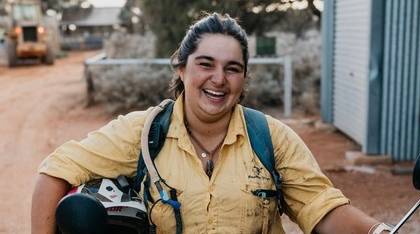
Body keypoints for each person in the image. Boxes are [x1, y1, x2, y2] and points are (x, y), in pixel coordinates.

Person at [32, 13, 391, 234]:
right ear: (181, 68)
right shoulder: (142, 134)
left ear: (244, 78)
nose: (218, 79)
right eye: (205, 64)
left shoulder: (271, 139)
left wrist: (377, 230)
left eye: (232, 69)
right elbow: (55, 170)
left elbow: (323, 209)